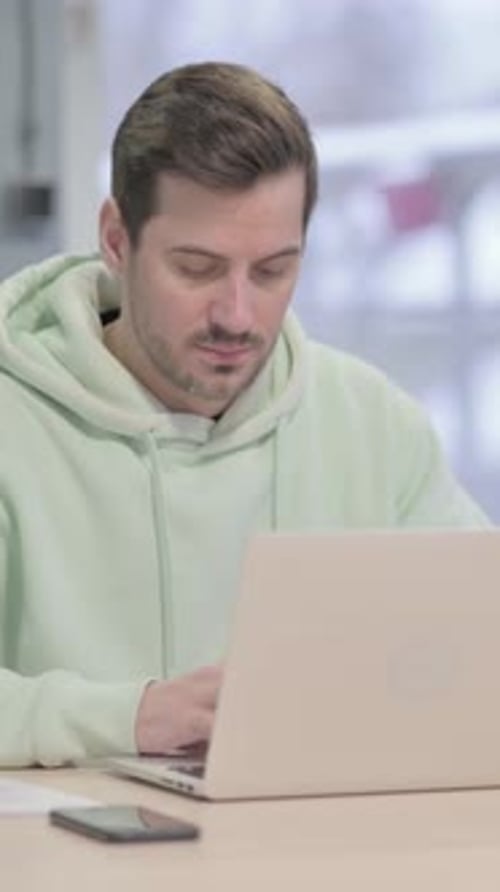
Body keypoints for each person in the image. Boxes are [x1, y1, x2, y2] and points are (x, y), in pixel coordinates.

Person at [0, 61, 488, 769]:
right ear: (115, 239)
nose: (236, 314)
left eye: (272, 271)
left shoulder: (373, 424)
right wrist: (125, 717)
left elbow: (480, 656)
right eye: (196, 267)